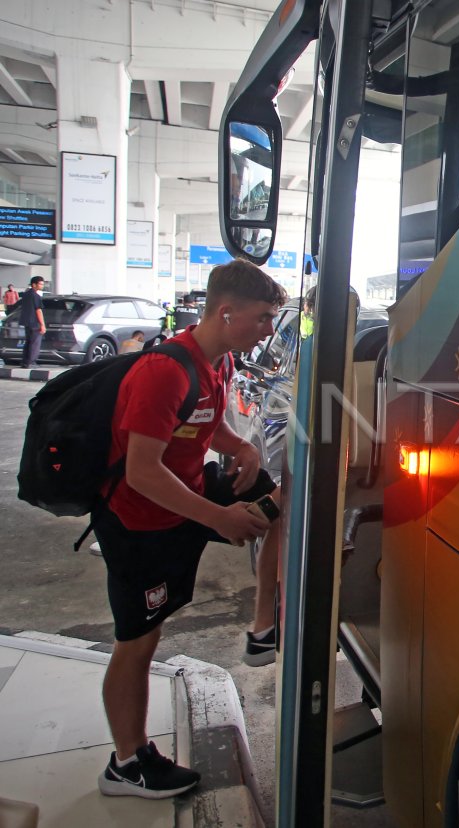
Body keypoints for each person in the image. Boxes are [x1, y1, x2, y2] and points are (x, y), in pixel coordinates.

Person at [93, 259, 287, 799]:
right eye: (263, 318)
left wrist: (243, 447)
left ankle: (263, 626)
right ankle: (126, 765)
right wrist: (219, 518)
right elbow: (142, 470)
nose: (269, 330)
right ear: (226, 313)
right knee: (138, 641)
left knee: (285, 490)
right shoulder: (164, 371)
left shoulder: (217, 362)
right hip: (141, 523)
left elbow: (203, 424)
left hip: (186, 499)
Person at [19, 276, 45, 368]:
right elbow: (38, 310)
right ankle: (31, 362)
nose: (42, 285)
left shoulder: (26, 295)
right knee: (35, 343)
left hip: (26, 322)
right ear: (34, 285)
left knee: (28, 342)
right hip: (34, 322)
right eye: (40, 284)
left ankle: (25, 362)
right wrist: (42, 325)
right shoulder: (36, 296)